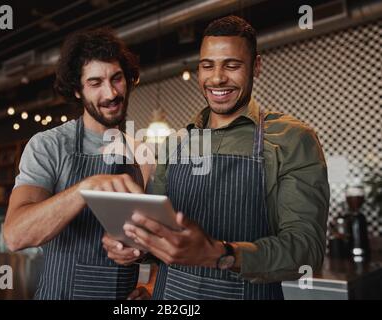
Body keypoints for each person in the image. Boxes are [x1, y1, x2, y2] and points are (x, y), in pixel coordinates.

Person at [103, 15, 330, 300]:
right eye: (207, 66)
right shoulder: (176, 144)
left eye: (232, 65)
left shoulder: (292, 138)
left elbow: (306, 250)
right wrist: (133, 248)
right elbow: (154, 233)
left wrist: (222, 255)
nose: (217, 78)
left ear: (256, 66)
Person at [3, 28, 153, 300]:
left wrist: (149, 286)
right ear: (77, 90)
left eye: (116, 79)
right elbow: (16, 235)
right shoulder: (48, 146)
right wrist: (88, 187)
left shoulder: (142, 154)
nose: (110, 93)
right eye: (95, 83)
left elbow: (152, 243)